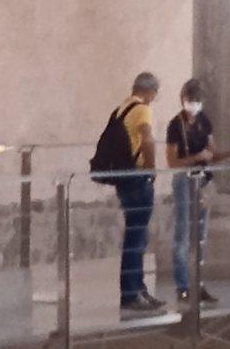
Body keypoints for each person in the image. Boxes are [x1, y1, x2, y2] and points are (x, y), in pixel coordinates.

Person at [90, 71, 162, 309]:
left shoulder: (121, 109)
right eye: (154, 94)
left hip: (123, 179)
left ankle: (138, 289)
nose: (154, 98)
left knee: (136, 236)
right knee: (136, 238)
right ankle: (131, 293)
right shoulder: (142, 110)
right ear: (150, 91)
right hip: (137, 178)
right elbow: (147, 139)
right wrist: (152, 171)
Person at [165, 78, 217, 303]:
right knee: (182, 236)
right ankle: (183, 286)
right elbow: (172, 162)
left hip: (202, 181)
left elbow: (212, 150)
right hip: (184, 181)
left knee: (201, 236)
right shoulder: (175, 125)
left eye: (197, 100)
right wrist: (197, 157)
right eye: (190, 100)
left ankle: (199, 284)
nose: (194, 104)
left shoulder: (204, 121)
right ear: (183, 100)